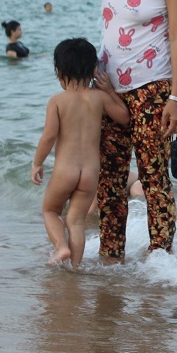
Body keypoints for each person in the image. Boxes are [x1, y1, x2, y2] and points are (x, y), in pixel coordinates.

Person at [55, 0, 177, 262]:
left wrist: (176, 99)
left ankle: (160, 266)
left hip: (153, 91)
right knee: (109, 183)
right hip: (106, 88)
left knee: (153, 181)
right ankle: (112, 263)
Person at [32, 38, 130, 267]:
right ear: (94, 70)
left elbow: (48, 136)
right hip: (90, 173)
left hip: (65, 169)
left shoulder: (57, 101)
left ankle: (61, 248)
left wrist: (37, 163)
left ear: (58, 72)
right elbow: (124, 117)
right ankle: (74, 269)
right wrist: (110, 90)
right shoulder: (99, 97)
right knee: (75, 221)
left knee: (50, 211)